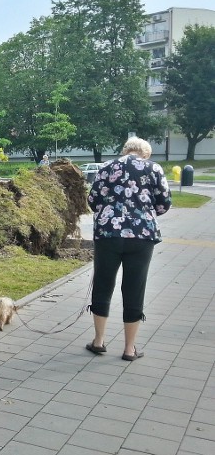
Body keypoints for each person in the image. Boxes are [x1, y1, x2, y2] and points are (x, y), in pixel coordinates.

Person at [85, 137, 171, 361]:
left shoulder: (106, 166)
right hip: (142, 236)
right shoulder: (154, 168)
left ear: (125, 150)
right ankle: (129, 349)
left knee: (103, 284)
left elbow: (92, 200)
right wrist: (144, 213)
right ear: (146, 153)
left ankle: (99, 341)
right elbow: (164, 203)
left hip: (108, 235)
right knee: (135, 287)